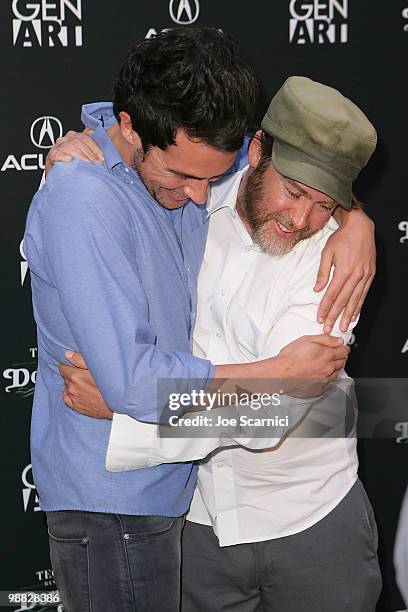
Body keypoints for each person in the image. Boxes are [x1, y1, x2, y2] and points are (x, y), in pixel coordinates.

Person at [25, 29, 357, 612]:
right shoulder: (87, 197)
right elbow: (131, 381)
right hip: (115, 504)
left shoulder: (219, 182)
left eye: (212, 177)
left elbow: (283, 416)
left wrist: (358, 225)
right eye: (182, 176)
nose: (203, 196)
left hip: (242, 507)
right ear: (131, 129)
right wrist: (273, 373)